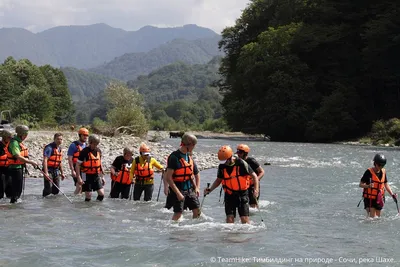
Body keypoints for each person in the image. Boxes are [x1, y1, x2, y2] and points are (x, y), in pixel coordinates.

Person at [204, 145, 259, 224]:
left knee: (244, 220)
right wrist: (210, 190)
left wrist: (256, 190)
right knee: (229, 219)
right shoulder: (222, 166)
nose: (224, 163)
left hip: (242, 194)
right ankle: (230, 236)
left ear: (230, 157)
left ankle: (246, 236)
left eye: (225, 161)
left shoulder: (241, 163)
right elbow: (219, 180)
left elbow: (254, 176)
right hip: (229, 195)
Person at [164, 133, 201, 221]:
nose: (194, 147)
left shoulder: (189, 156)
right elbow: (168, 178)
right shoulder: (174, 157)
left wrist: (197, 188)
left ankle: (192, 230)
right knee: (178, 213)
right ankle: (174, 231)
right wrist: (178, 193)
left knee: (197, 210)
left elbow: (196, 174)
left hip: (190, 189)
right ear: (188, 144)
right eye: (193, 145)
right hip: (178, 189)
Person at [6, 125, 38, 203]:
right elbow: (18, 156)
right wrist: (31, 162)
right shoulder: (14, 143)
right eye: (25, 134)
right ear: (21, 134)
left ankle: (16, 209)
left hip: (19, 167)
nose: (26, 136)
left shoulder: (19, 142)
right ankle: (13, 208)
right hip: (14, 168)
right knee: (16, 192)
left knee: (18, 191)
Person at [359, 153, 397, 218]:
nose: (381, 167)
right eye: (379, 165)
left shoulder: (383, 172)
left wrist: (392, 195)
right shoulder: (368, 172)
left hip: (379, 198)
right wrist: (368, 186)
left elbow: (386, 184)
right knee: (372, 218)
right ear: (375, 163)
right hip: (369, 198)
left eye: (383, 165)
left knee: (378, 218)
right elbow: (360, 184)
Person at [75, 134, 105, 202]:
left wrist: (102, 177)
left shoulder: (98, 151)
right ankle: (86, 209)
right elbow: (77, 165)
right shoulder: (84, 152)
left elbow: (99, 164)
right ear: (90, 142)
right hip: (85, 174)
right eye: (94, 144)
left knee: (101, 194)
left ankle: (96, 207)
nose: (95, 145)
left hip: (96, 174)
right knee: (88, 195)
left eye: (97, 144)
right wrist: (79, 177)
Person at [236, 144, 264, 208]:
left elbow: (262, 172)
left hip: (252, 185)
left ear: (245, 153)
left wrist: (255, 180)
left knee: (253, 205)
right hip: (244, 185)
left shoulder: (251, 161)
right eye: (237, 152)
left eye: (240, 152)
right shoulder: (238, 161)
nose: (238, 154)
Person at [42, 133, 66, 197]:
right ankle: (45, 200)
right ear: (54, 139)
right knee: (48, 188)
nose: (59, 140)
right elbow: (45, 160)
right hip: (48, 169)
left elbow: (59, 162)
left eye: (61, 139)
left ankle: (53, 204)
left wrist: (62, 173)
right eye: (58, 139)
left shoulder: (60, 149)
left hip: (56, 170)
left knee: (56, 189)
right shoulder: (49, 148)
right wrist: (46, 172)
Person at [68, 127, 89, 194]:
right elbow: (70, 159)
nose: (85, 137)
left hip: (84, 169)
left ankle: (79, 202)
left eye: (86, 135)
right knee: (79, 185)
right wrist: (72, 170)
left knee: (83, 185)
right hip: (76, 167)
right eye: (84, 135)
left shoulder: (87, 146)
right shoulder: (73, 145)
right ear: (80, 135)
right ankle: (74, 200)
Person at [0, 130, 12, 199]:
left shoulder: (10, 146)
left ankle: (10, 209)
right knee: (0, 193)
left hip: (9, 171)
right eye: (9, 137)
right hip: (1, 172)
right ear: (4, 137)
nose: (10, 139)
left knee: (11, 194)